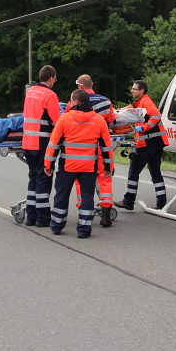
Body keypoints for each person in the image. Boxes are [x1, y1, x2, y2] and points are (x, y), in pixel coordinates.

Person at [43, 89, 114, 238]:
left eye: (70, 100)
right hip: (89, 167)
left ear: (75, 102)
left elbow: (53, 145)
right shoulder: (99, 120)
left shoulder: (65, 119)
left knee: (62, 195)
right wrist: (108, 168)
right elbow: (107, 148)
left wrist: (48, 165)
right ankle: (84, 229)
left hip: (68, 166)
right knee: (87, 196)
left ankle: (57, 225)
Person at [115, 80, 169, 210]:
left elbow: (156, 115)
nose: (132, 91)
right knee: (155, 172)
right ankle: (161, 201)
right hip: (156, 143)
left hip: (149, 143)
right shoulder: (140, 102)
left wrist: (144, 128)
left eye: (134, 89)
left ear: (142, 90)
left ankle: (128, 200)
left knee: (134, 170)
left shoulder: (145, 101)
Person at [74, 74, 117, 227]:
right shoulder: (105, 101)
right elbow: (112, 120)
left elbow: (68, 118)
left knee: (81, 179)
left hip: (81, 146)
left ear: (80, 86)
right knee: (105, 177)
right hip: (100, 145)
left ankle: (83, 210)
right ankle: (105, 214)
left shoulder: (75, 100)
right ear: (92, 84)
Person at [21, 65, 61, 227]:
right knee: (44, 177)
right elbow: (56, 121)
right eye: (55, 79)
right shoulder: (49, 95)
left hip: (27, 142)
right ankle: (43, 218)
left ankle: (31, 215)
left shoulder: (30, 92)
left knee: (33, 177)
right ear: (51, 78)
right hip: (42, 142)